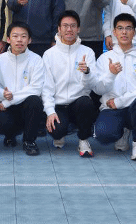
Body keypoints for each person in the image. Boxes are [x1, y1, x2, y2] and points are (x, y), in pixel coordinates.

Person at [92, 13, 136, 161]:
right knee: (103, 135)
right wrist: (111, 74)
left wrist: (120, 101)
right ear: (114, 32)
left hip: (133, 108)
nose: (124, 32)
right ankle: (123, 132)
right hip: (112, 108)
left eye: (128, 28)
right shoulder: (104, 59)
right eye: (120, 28)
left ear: (134, 32)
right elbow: (97, 89)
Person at [42, 10, 98, 157]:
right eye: (65, 26)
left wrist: (87, 73)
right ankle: (60, 133)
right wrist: (50, 111)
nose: (69, 29)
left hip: (78, 103)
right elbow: (46, 88)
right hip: (58, 105)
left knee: (86, 103)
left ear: (78, 29)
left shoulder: (88, 52)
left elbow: (92, 86)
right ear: (59, 29)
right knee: (56, 131)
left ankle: (83, 140)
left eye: (73, 26)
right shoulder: (49, 54)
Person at [0, 22, 46, 156]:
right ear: (8, 39)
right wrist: (2, 94)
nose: (19, 40)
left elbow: (36, 88)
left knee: (35, 101)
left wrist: (9, 100)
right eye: (15, 36)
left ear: (29, 40)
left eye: (23, 36)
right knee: (1, 122)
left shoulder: (36, 60)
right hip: (5, 106)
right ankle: (10, 135)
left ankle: (29, 141)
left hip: (24, 105)